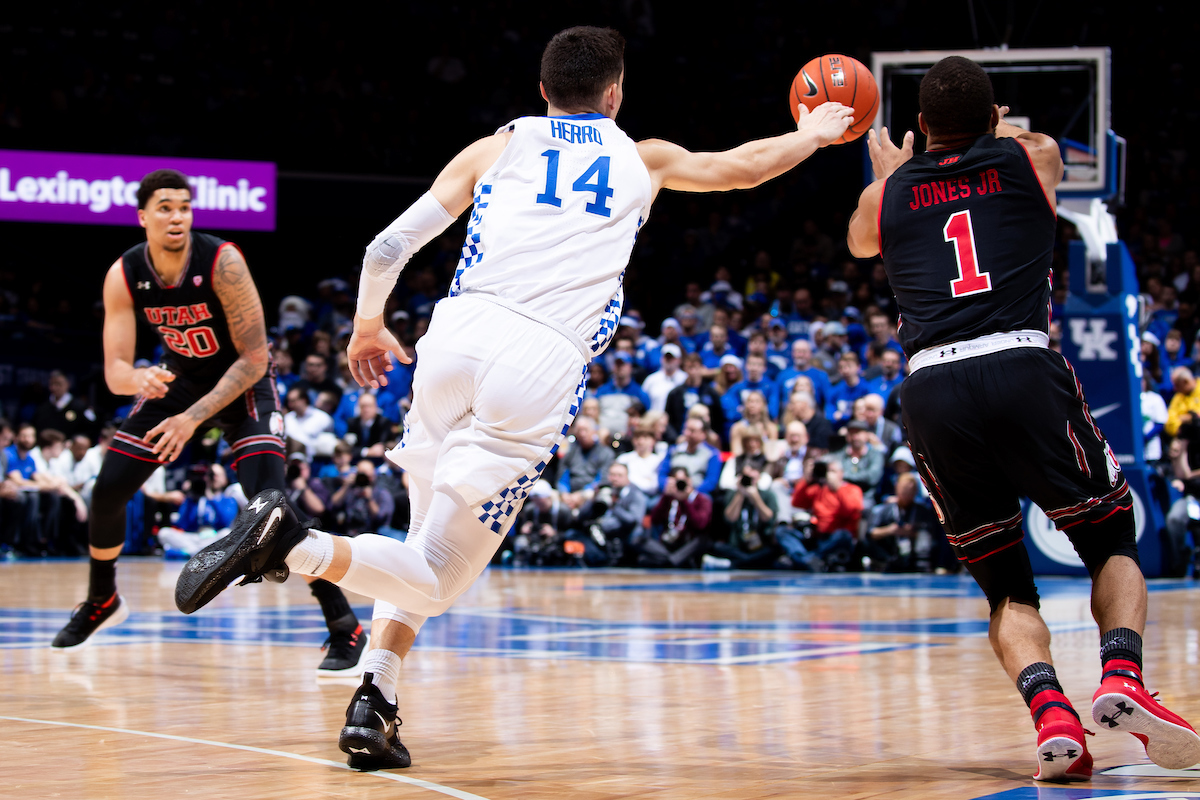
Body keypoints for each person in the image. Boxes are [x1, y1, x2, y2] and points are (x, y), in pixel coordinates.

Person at [174, 25, 852, 769]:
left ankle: (375, 700)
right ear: (616, 93)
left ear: (542, 91)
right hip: (539, 363)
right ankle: (294, 545)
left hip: (454, 338)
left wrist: (367, 325)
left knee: (422, 538)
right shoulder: (643, 157)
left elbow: (385, 250)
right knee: (437, 578)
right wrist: (812, 135)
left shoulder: (495, 148)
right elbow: (743, 169)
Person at [846, 55, 1200, 781]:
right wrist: (995, 132)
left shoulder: (885, 197)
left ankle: (1054, 719)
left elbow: (859, 240)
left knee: (1006, 585)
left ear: (918, 126)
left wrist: (886, 174)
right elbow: (1025, 152)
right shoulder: (1029, 157)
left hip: (932, 387)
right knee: (1110, 539)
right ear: (996, 117)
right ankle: (1122, 677)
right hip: (1019, 364)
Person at [52, 169, 367, 680]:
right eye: (165, 208)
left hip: (244, 382)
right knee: (108, 490)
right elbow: (114, 373)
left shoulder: (222, 261)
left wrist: (191, 419)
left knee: (270, 508)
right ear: (143, 217)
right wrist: (138, 379)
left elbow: (254, 356)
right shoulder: (124, 273)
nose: (176, 216)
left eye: (184, 207)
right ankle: (101, 598)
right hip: (180, 379)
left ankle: (344, 624)